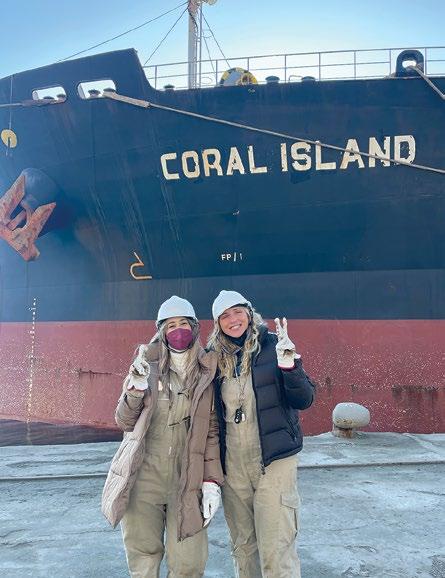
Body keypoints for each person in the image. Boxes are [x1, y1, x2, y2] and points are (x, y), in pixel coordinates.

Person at [102, 296, 224, 578]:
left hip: (187, 478)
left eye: (183, 324)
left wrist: (211, 481)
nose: (178, 331)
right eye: (170, 325)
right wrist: (134, 391)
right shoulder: (145, 365)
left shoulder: (208, 371)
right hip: (144, 478)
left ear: (194, 327)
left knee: (189, 563)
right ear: (161, 331)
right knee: (143, 556)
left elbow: (212, 432)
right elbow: (124, 421)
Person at [207, 290, 315, 578]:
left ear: (249, 313)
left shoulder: (274, 346)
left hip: (273, 461)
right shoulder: (212, 359)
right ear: (217, 323)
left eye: (238, 312)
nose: (233, 320)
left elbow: (304, 399)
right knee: (243, 548)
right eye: (225, 316)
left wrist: (290, 367)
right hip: (233, 466)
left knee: (277, 548)